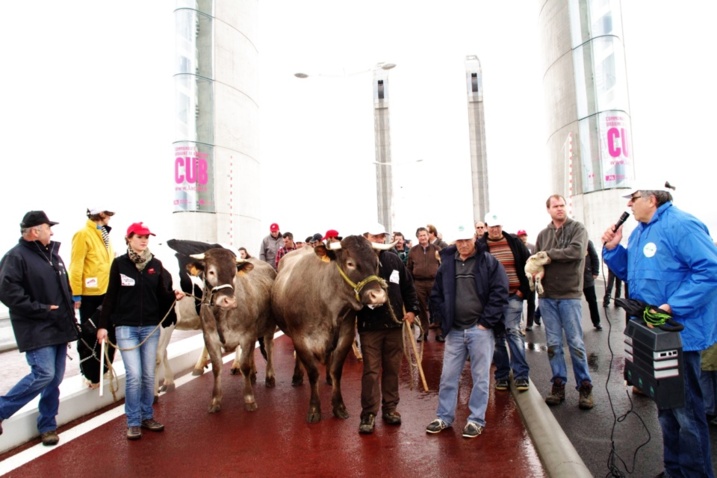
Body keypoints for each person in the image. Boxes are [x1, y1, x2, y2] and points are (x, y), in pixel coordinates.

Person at [602, 182, 717, 477]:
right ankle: (675, 469)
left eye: (634, 199)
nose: (629, 205)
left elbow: (709, 270)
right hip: (654, 333)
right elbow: (631, 273)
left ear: (651, 199)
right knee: (666, 407)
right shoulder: (641, 232)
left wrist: (671, 306)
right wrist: (614, 250)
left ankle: (695, 473)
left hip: (681, 333)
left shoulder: (681, 224)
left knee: (687, 412)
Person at [97, 222, 184, 440]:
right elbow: (110, 297)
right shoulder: (119, 264)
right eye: (139, 237)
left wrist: (174, 295)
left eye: (147, 237)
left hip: (149, 328)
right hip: (126, 328)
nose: (144, 240)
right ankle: (133, 421)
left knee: (147, 375)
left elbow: (161, 296)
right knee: (134, 376)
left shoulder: (155, 264)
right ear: (129, 239)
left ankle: (147, 416)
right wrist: (102, 326)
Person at [0, 211, 79, 446]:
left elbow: (64, 292)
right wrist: (42, 309)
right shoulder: (15, 257)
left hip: (59, 327)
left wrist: (71, 320)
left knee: (54, 380)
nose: (51, 231)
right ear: (35, 231)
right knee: (43, 374)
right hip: (36, 328)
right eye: (48, 227)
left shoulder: (53, 256)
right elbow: (8, 293)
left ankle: (47, 425)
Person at [425, 223, 508, 438]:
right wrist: (444, 319)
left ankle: (476, 419)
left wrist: (485, 322)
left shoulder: (489, 262)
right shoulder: (447, 265)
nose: (463, 245)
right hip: (454, 330)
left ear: (474, 239)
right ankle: (444, 416)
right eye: (459, 241)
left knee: (480, 377)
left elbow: (499, 293)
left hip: (480, 330)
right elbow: (436, 294)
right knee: (448, 376)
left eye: (467, 240)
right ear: (455, 242)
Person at [357, 223, 420, 434]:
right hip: (369, 327)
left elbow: (408, 286)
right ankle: (368, 413)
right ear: (365, 237)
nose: (379, 239)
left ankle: (390, 408)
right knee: (371, 371)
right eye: (375, 235)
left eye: (382, 236)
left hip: (394, 325)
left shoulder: (393, 259)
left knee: (392, 369)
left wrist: (412, 310)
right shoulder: (358, 262)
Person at [534, 194, 594, 410]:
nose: (560, 209)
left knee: (576, 343)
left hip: (569, 295)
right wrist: (537, 273)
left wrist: (548, 255)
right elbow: (535, 261)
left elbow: (576, 252)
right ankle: (558, 384)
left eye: (562, 205)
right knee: (553, 344)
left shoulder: (578, 229)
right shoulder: (542, 234)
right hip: (547, 297)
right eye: (555, 206)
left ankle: (585, 386)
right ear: (548, 209)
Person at [479, 212, 532, 392]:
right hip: (492, 299)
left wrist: (522, 291)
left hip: (513, 296)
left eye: (498, 226)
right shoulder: (480, 247)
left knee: (513, 331)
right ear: (486, 227)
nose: (495, 229)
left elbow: (528, 265)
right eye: (492, 226)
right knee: (497, 337)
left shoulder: (515, 242)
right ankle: (501, 375)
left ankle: (521, 375)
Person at [70, 207, 116, 388]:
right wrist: (76, 295)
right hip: (90, 295)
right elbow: (76, 265)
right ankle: (89, 374)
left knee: (108, 332)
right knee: (89, 335)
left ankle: (103, 370)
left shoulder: (104, 235)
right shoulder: (82, 234)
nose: (110, 218)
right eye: (108, 214)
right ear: (101, 215)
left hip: (106, 293)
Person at [407, 226, 443, 342]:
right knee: (421, 308)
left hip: (434, 282)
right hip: (419, 283)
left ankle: (439, 332)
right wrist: (411, 283)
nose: (423, 237)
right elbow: (409, 267)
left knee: (437, 306)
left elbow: (442, 265)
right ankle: (424, 332)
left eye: (424, 235)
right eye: (420, 235)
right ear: (417, 237)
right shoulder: (413, 251)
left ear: (428, 236)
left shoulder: (436, 248)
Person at [517, 229, 539, 330]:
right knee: (518, 301)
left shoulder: (532, 247)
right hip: (520, 278)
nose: (523, 237)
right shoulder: (516, 247)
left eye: (524, 235)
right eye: (521, 236)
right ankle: (518, 322)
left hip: (531, 278)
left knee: (531, 301)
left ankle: (529, 323)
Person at [582, 239, 602, 330]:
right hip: (574, 279)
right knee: (573, 303)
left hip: (587, 278)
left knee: (592, 301)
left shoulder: (587, 242)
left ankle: (596, 322)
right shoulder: (569, 242)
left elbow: (595, 257)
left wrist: (595, 272)